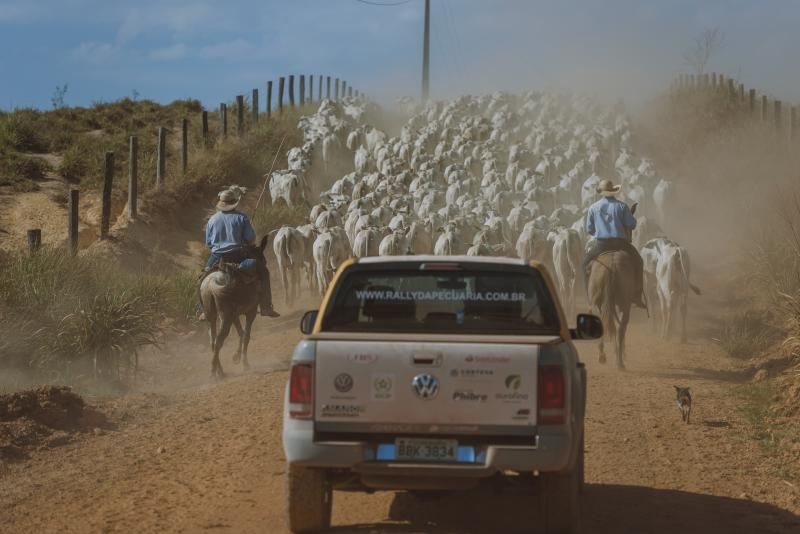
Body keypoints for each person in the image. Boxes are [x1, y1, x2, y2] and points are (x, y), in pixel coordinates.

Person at [203, 186, 280, 318]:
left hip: (217, 257)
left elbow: (209, 243)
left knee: (203, 278)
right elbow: (250, 239)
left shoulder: (212, 220)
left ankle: (203, 310)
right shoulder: (242, 218)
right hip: (239, 255)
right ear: (234, 203)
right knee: (263, 271)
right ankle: (266, 306)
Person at [582, 179, 646, 308]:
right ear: (614, 191)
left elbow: (589, 229)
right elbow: (632, 225)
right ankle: (636, 296)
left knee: (584, 266)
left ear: (601, 192)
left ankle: (590, 296)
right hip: (620, 244)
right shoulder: (622, 206)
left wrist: (601, 229)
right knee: (639, 261)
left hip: (601, 245)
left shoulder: (593, 208)